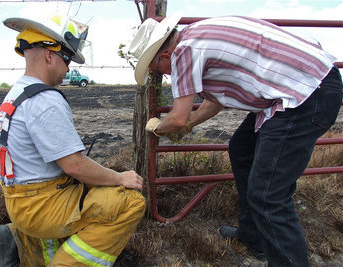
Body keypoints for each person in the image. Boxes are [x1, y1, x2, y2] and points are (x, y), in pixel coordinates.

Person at [128, 14, 342, 266]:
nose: (163, 76)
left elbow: (176, 118)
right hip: (300, 89)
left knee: (268, 195)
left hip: (305, 95)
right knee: (242, 149)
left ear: (164, 56)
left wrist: (157, 128)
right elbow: (214, 101)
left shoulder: (183, 52)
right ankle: (254, 238)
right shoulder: (197, 36)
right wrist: (189, 124)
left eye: (157, 70)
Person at [0, 15, 145, 266]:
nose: (69, 69)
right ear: (50, 56)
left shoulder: (16, 94)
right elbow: (73, 165)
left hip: (19, 201)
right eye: (67, 59)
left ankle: (18, 240)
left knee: (86, 191)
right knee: (130, 202)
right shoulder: (45, 100)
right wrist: (118, 177)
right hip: (41, 207)